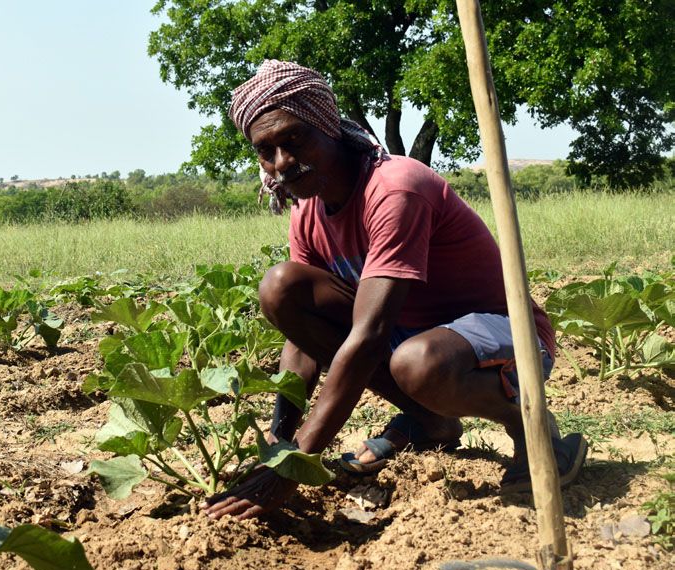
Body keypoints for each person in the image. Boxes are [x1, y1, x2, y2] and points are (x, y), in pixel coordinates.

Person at [201, 60, 587, 520]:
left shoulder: (394, 188)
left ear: (327, 125)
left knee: (417, 362)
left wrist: (296, 467)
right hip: (414, 341)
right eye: (267, 151)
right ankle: (430, 421)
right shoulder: (309, 213)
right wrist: (280, 444)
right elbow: (302, 342)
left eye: (294, 139)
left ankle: (534, 428)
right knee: (281, 286)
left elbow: (368, 336)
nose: (282, 162)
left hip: (507, 341)